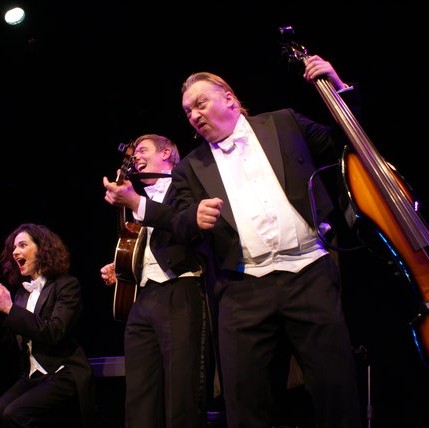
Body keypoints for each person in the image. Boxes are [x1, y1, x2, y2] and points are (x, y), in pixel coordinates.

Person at [150, 57, 364, 428]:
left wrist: (339, 89)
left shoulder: (283, 122)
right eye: (187, 111)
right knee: (245, 399)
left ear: (230, 99)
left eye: (201, 103)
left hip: (309, 272)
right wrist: (193, 218)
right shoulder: (190, 166)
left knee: (335, 388)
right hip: (242, 287)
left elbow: (345, 143)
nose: (194, 115)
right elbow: (176, 225)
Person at [101, 134, 210, 428]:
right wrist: (123, 265)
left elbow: (186, 226)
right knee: (139, 392)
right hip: (143, 296)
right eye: (134, 152)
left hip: (180, 289)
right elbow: (145, 244)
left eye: (143, 150)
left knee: (182, 390)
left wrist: (136, 203)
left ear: (166, 154)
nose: (136, 156)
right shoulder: (139, 200)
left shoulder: (184, 183)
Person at [0, 223, 93, 428]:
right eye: (13, 248)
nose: (15, 252)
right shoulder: (22, 294)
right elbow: (7, 344)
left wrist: (9, 309)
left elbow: (55, 332)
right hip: (33, 376)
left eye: (22, 245)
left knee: (16, 414)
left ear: (42, 249)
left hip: (62, 373)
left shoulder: (66, 285)